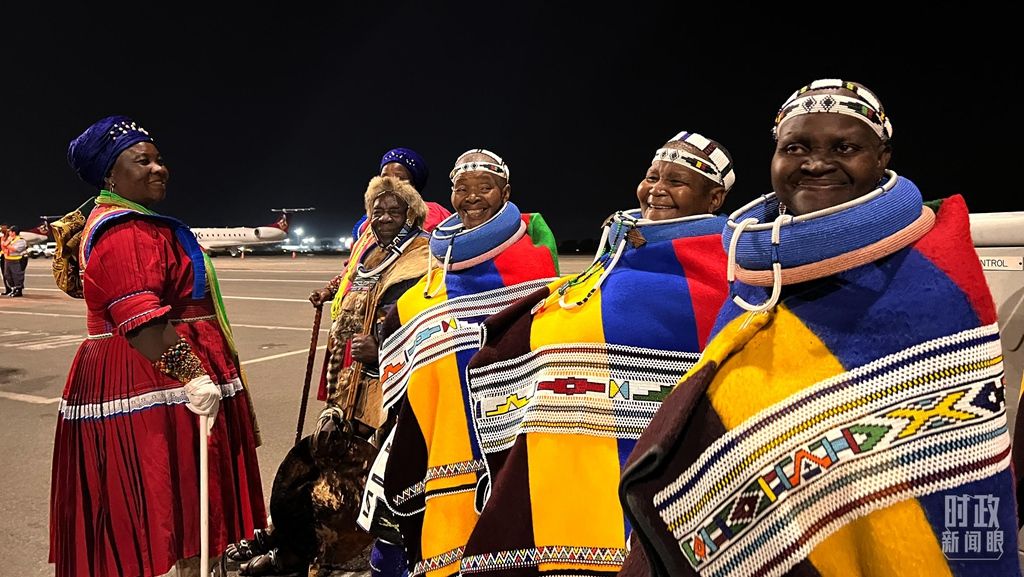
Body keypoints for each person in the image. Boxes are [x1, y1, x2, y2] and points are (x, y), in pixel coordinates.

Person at [618, 80, 1021, 577]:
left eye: (844, 148)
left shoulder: (934, 282)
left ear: (882, 158)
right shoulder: (754, 279)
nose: (815, 163)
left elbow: (962, 467)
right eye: (795, 148)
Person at [455, 131, 735, 576]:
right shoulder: (619, 253)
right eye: (652, 176)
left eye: (676, 181)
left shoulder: (727, 270)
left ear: (714, 198)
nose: (657, 188)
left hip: (650, 466)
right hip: (568, 456)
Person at [50, 115, 266, 577]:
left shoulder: (142, 223)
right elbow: (141, 318)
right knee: (169, 497)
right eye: (142, 161)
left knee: (184, 503)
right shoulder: (124, 231)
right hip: (153, 378)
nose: (158, 169)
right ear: (110, 175)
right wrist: (195, 376)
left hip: (165, 375)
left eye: (159, 159)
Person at [373, 148, 561, 577]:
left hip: (513, 420)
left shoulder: (532, 261)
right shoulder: (437, 262)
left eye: (484, 187)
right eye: (462, 188)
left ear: (505, 193)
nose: (471, 197)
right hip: (446, 420)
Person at [2, 224, 28, 296]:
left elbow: (16, 249)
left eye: (10, 231)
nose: (9, 233)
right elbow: (3, 245)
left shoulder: (20, 240)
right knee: (7, 275)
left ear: (13, 232)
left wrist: (7, 245)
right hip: (8, 259)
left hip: (17, 260)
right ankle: (13, 288)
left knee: (17, 275)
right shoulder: (10, 239)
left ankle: (18, 290)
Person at [0, 223, 10, 295]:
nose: (2, 229)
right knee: (4, 274)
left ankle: (11, 288)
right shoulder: (1, 237)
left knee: (7, 273)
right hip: (3, 256)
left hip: (8, 257)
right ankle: (8, 289)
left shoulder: (9, 237)